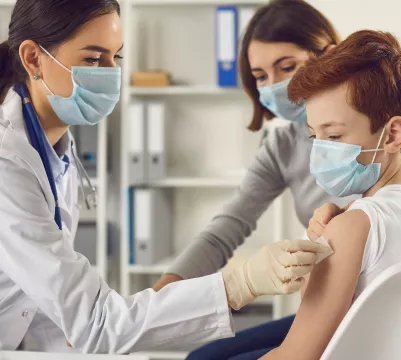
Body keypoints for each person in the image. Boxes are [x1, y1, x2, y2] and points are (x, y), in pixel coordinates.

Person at [0, 0, 330, 353]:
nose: (110, 75)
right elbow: (95, 321)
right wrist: (239, 283)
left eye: (115, 59)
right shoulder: (10, 161)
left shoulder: (51, 143)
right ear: (34, 58)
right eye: (94, 60)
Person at [155, 1, 401, 359]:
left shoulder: (393, 137)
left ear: (325, 57)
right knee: (204, 356)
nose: (276, 86)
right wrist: (156, 305)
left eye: (287, 67)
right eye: (261, 76)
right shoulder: (282, 148)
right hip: (354, 312)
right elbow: (225, 230)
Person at [261, 28, 401, 359]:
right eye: (316, 137)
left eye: (334, 136)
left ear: (392, 135)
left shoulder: (354, 226)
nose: (320, 153)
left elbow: (296, 355)